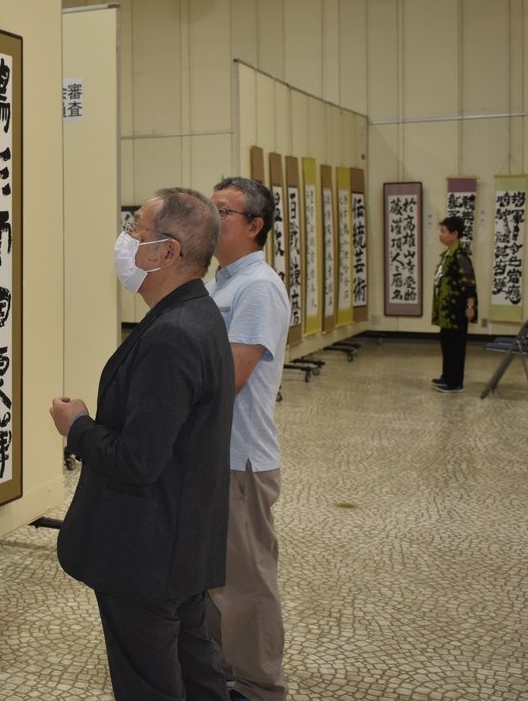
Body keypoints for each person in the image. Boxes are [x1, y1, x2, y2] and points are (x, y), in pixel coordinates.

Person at [50, 188, 234, 701]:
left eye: (136, 229)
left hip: (148, 552)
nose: (125, 239)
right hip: (182, 542)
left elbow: (138, 459)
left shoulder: (172, 335)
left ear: (167, 252)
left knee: (149, 683)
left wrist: (76, 426)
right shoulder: (198, 314)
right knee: (196, 671)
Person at [204, 177, 290, 701]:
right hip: (216, 454)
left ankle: (258, 687)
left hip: (242, 458)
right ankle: (224, 674)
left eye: (224, 211)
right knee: (216, 579)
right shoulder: (221, 283)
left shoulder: (257, 287)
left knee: (246, 582)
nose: (212, 218)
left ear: (255, 225)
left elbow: (229, 379)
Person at [431, 216, 478, 393]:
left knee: (456, 346)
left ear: (455, 234)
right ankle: (446, 376)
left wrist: (470, 307)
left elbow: (469, 284)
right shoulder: (448, 255)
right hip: (446, 310)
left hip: (456, 310)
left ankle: (455, 382)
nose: (440, 235)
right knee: (446, 342)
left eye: (444, 231)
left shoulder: (460, 256)